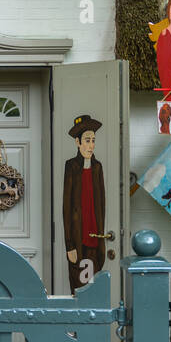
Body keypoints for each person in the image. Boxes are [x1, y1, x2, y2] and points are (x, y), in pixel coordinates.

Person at [62, 114, 105, 293]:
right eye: (87, 140)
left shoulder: (97, 167)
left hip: (95, 239)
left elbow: (101, 204)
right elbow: (66, 207)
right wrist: (69, 244)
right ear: (78, 142)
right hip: (78, 240)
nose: (91, 145)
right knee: (79, 285)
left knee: (93, 286)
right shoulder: (71, 167)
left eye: (93, 140)